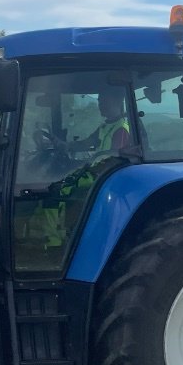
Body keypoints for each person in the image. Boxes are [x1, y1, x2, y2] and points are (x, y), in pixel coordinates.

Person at [40, 85, 132, 253]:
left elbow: (115, 159)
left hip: (104, 175)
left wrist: (87, 167)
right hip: (97, 171)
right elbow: (85, 143)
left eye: (103, 100)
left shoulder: (121, 129)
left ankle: (54, 243)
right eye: (99, 100)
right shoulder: (106, 126)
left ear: (117, 101)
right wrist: (63, 145)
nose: (100, 104)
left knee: (57, 191)